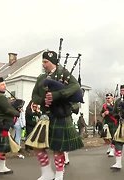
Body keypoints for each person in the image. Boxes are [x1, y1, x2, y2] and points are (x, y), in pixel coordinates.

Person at [30, 50, 84, 180]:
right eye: (42, 61)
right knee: (37, 146)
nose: (43, 64)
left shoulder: (63, 74)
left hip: (60, 114)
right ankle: (47, 172)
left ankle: (59, 175)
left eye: (46, 62)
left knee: (57, 148)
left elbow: (76, 88)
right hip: (46, 116)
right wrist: (44, 100)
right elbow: (34, 96)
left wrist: (57, 95)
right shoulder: (41, 78)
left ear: (53, 62)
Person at [100, 93, 118, 157]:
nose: (108, 99)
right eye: (107, 98)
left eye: (109, 98)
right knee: (105, 136)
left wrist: (109, 112)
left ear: (112, 98)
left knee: (113, 136)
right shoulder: (104, 106)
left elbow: (117, 113)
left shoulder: (115, 105)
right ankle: (110, 146)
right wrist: (103, 114)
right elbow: (101, 113)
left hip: (114, 122)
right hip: (106, 122)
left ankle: (112, 149)